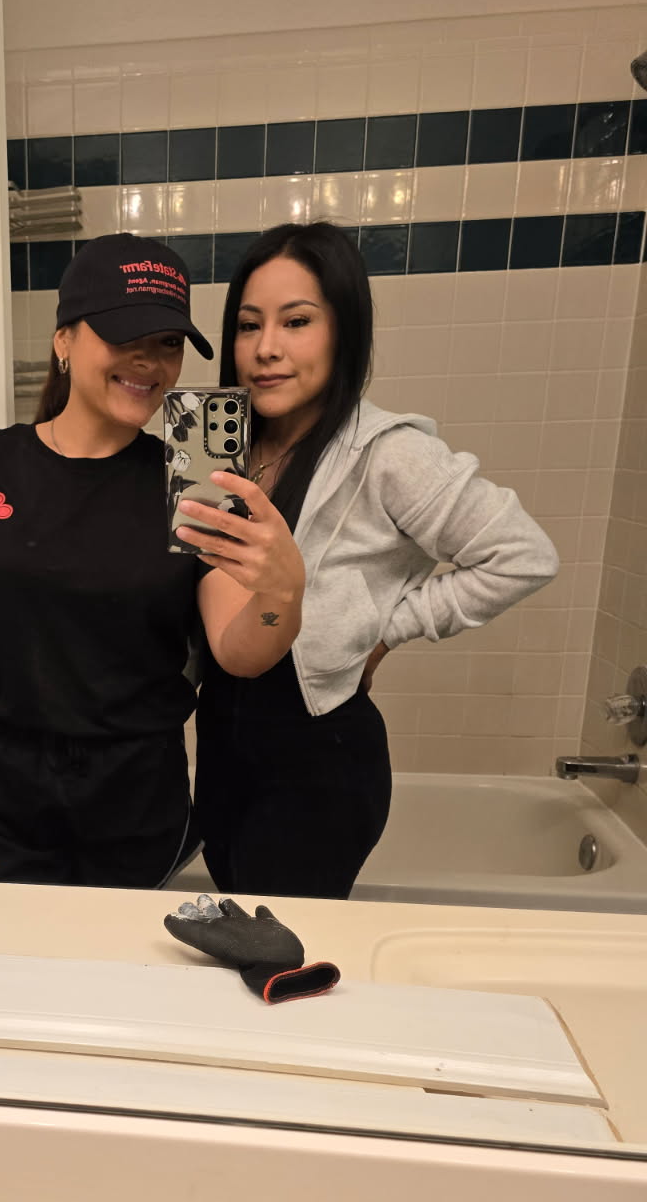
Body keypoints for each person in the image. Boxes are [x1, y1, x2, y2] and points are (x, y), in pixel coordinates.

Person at [0, 233, 305, 886]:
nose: (149, 361)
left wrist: (281, 596)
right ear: (64, 340)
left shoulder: (192, 477)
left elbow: (238, 652)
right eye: (123, 334)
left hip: (133, 804)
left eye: (168, 343)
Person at [195, 222, 559, 900]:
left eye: (296, 321)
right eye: (248, 325)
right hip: (224, 747)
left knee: (281, 949)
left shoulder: (388, 453)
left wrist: (390, 628)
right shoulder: (222, 442)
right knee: (239, 922)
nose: (266, 348)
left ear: (344, 330)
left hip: (318, 763)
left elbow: (523, 556)